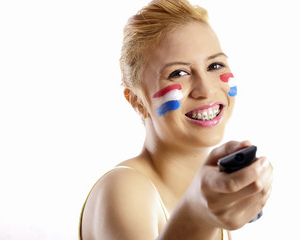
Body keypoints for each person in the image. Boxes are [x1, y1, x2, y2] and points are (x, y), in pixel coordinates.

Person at [79, 0, 273, 239]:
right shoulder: (124, 187)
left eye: (214, 65)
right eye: (178, 73)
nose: (206, 89)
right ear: (138, 102)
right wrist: (197, 216)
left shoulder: (211, 202)